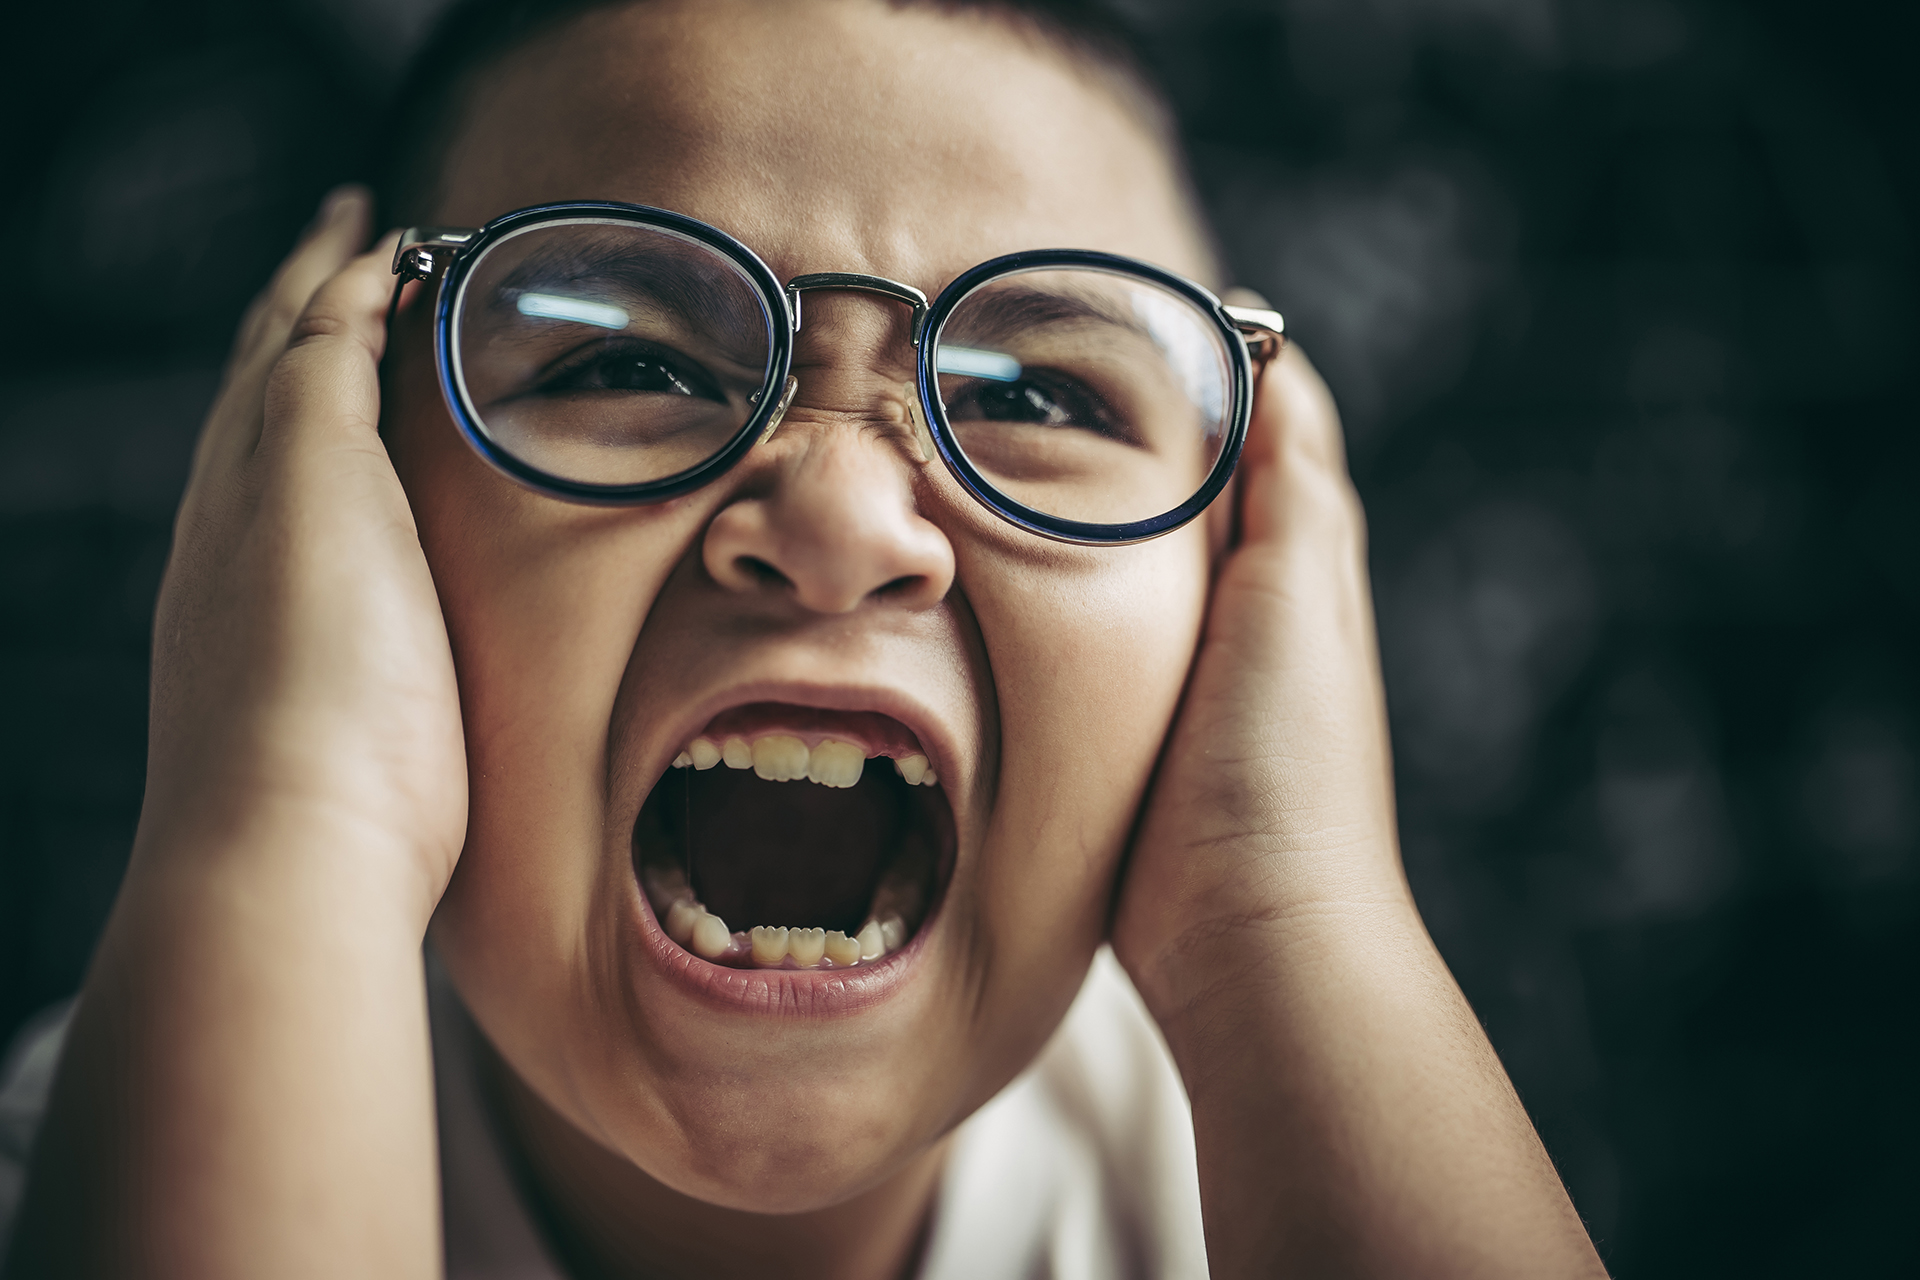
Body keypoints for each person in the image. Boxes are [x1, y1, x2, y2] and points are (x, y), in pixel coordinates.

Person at [1, 0, 1610, 1275]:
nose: (842, 524)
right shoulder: (131, 1143)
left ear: (1246, 559)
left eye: (1037, 397)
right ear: (339, 499)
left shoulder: (1280, 1184)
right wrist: (302, 810)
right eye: (625, 365)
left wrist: (1287, 905)